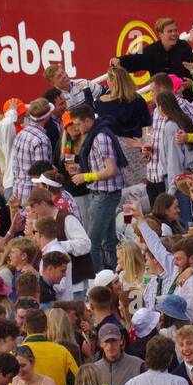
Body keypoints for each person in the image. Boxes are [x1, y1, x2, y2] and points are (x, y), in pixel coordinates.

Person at [67, 104, 127, 271]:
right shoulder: (95, 134)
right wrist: (82, 170)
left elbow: (111, 169)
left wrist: (84, 176)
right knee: (108, 240)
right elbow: (101, 167)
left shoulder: (100, 137)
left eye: (78, 124)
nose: (76, 129)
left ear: (88, 121)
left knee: (91, 242)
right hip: (100, 193)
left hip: (105, 194)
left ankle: (98, 281)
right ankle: (115, 272)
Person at [117, 16, 193, 81]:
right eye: (170, 31)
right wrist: (119, 60)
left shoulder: (184, 47)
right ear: (160, 34)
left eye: (175, 30)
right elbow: (135, 60)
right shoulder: (152, 50)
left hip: (183, 95)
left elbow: (184, 74)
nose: (174, 34)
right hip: (160, 95)